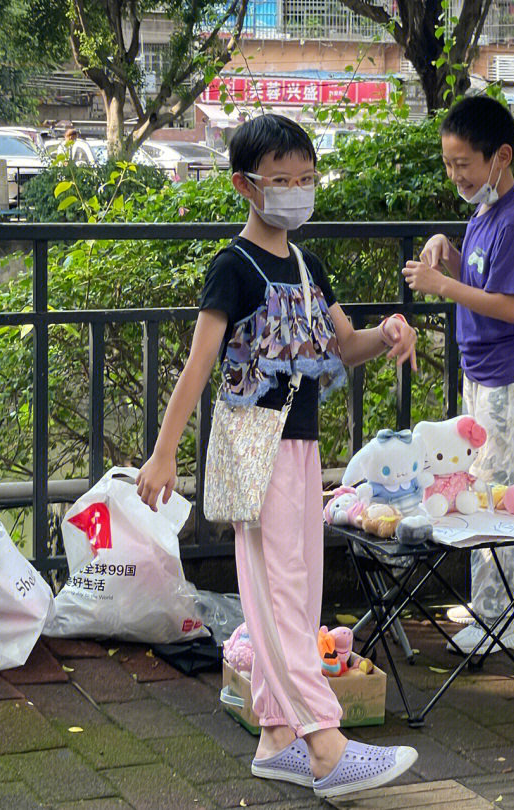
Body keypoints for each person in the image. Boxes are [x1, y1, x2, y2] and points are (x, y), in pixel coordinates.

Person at [136, 114, 419, 798]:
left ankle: (276, 737)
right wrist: (163, 454)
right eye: (282, 180)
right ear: (246, 185)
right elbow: (199, 364)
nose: (296, 191)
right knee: (282, 595)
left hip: (298, 447)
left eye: (306, 179)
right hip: (248, 443)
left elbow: (341, 346)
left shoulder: (308, 266)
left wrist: (385, 333)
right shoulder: (232, 268)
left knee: (296, 591)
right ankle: (326, 744)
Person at [402, 95, 514, 655]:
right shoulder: (486, 214)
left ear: (500, 157)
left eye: (464, 163)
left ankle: (498, 617)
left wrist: (443, 287)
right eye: (449, 164)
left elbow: (512, 306)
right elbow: (483, 282)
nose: (456, 174)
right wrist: (451, 252)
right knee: (491, 485)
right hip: (486, 371)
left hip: (508, 375)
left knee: (493, 494)